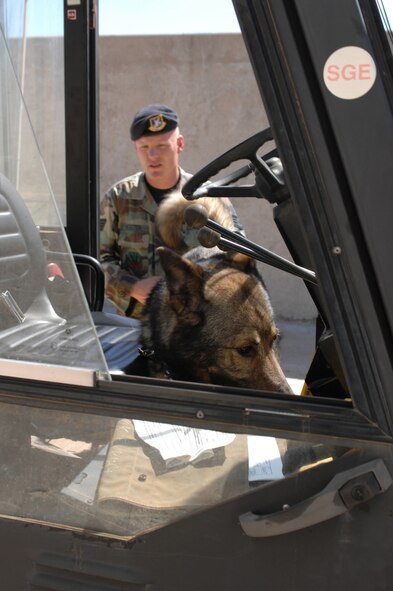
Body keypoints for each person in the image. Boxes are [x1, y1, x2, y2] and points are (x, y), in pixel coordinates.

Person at [100, 103, 242, 318]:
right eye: (144, 147)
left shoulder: (208, 198)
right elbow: (99, 259)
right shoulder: (118, 198)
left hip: (195, 324)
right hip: (137, 321)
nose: (153, 156)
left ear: (180, 144)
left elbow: (239, 256)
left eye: (162, 145)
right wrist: (133, 287)